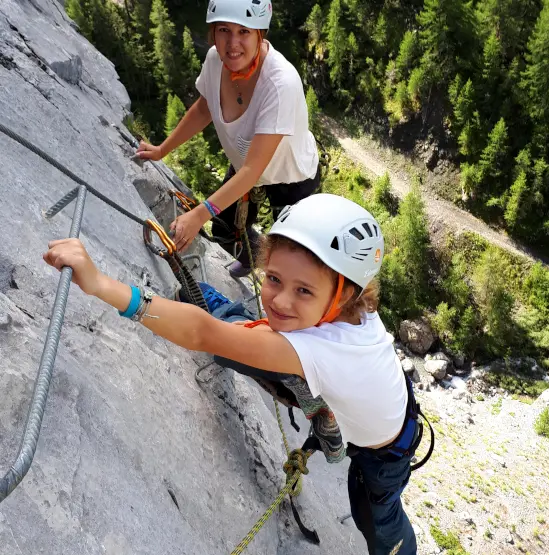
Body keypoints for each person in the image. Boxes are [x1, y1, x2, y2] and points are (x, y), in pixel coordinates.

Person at [43, 194, 418, 554]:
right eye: (274, 278)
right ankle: (222, 310)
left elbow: (202, 333)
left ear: (345, 294)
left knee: (375, 519)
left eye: (304, 290)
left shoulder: (323, 352)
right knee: (241, 342)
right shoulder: (353, 308)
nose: (280, 300)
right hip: (383, 407)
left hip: (384, 454)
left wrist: (102, 285)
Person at [137, 0, 321, 278]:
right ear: (213, 32)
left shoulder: (280, 84)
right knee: (224, 229)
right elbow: (204, 108)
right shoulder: (215, 60)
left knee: (291, 256)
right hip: (246, 163)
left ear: (260, 34)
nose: (233, 43)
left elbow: (253, 171)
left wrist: (198, 215)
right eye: (224, 29)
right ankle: (252, 256)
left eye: (244, 31)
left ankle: (274, 267)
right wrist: (163, 149)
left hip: (291, 176)